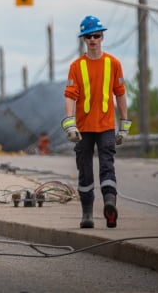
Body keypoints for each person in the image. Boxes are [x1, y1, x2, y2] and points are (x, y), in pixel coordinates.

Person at [61, 16, 131, 229]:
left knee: (107, 166)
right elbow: (70, 95)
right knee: (85, 170)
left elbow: (120, 94)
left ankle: (110, 205)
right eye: (89, 36)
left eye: (96, 35)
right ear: (84, 39)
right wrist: (70, 124)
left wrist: (124, 124)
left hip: (106, 127)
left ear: (102, 37)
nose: (93, 39)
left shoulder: (113, 64)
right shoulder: (76, 66)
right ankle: (87, 214)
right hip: (83, 129)